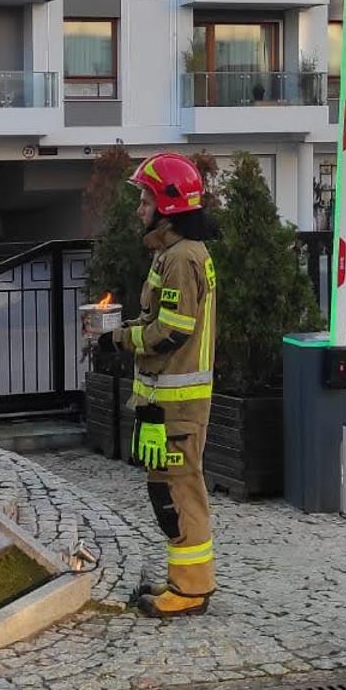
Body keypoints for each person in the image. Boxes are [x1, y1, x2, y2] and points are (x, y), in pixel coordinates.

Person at [94, 153, 220, 618]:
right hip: (165, 400)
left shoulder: (182, 257)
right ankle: (183, 579)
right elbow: (159, 319)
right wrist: (121, 329)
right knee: (166, 491)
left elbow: (172, 330)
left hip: (178, 404)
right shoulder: (172, 253)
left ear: (168, 205)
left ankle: (191, 590)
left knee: (180, 491)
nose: (139, 208)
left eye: (145, 199)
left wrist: (119, 339)